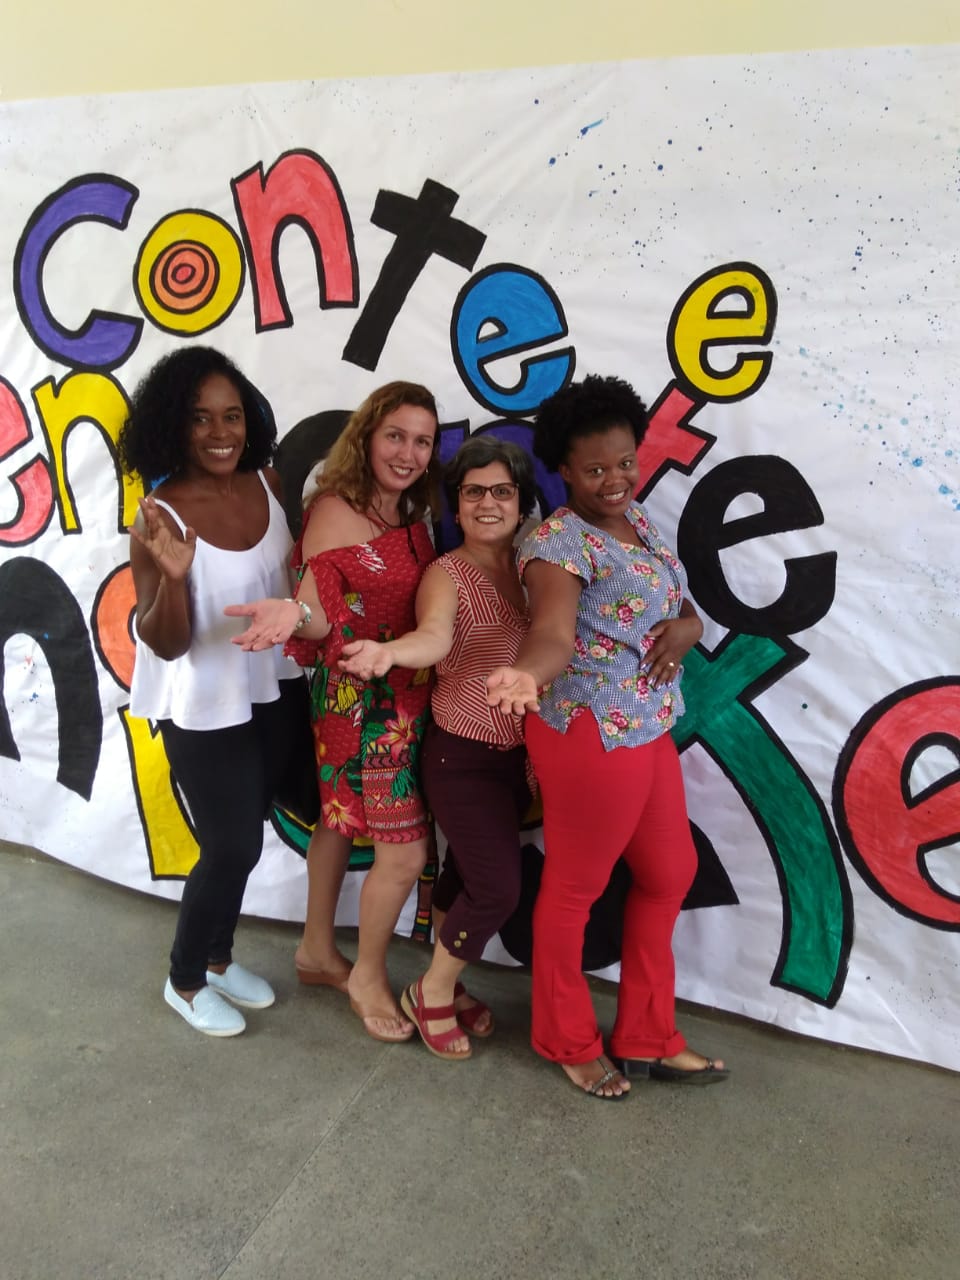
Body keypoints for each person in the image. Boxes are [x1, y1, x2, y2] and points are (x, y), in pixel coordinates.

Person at [486, 374, 729, 1098]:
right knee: (574, 889)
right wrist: (526, 675)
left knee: (669, 873)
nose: (616, 480)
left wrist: (690, 627)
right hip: (588, 730)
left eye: (625, 462)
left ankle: (647, 1036)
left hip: (646, 722)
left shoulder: (639, 520)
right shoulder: (556, 544)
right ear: (563, 469)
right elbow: (553, 634)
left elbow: (675, 604)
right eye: (595, 470)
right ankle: (566, 1038)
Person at [226, 382, 439, 1042]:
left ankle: (316, 950)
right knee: (400, 851)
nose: (407, 453)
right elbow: (318, 615)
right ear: (367, 437)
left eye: (422, 441)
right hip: (359, 705)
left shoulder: (410, 510)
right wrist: (295, 612)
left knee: (338, 821)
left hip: (406, 696)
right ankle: (367, 977)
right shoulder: (334, 510)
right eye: (395, 436)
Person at [120, 345, 307, 1037]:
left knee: (248, 837)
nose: (220, 432)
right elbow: (166, 643)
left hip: (274, 686)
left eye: (232, 415)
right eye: (200, 418)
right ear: (174, 425)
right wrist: (172, 579)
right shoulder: (159, 518)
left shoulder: (269, 483)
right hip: (204, 703)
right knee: (229, 846)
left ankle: (220, 959)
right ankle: (185, 978)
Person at [339, 436, 535, 1060]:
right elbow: (434, 636)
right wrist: (391, 653)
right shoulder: (446, 573)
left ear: (521, 502)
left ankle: (451, 981)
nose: (487, 503)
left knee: (466, 876)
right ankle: (432, 990)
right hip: (462, 756)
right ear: (455, 503)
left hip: (518, 758)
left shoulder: (533, 566)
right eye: (473, 492)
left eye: (501, 491)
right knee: (498, 888)